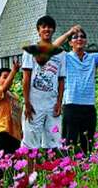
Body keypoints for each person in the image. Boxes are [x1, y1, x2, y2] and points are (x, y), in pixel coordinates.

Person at [53, 20, 98, 153]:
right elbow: (52, 48)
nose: (79, 38)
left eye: (82, 36)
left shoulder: (92, 58)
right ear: (70, 43)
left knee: (87, 143)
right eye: (75, 37)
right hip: (71, 104)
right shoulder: (66, 57)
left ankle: (85, 170)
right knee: (69, 141)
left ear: (86, 41)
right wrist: (69, 32)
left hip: (88, 105)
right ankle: (67, 169)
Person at [22, 15, 65, 149]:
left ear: (53, 30)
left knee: (55, 140)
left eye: (50, 27)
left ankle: (53, 169)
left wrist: (59, 102)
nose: (47, 29)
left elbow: (61, 79)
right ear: (38, 30)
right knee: (30, 141)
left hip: (52, 103)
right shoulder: (31, 51)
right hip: (34, 103)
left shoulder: (60, 53)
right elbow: (26, 78)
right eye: (43, 27)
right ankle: (29, 170)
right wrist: (27, 102)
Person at [0, 58, 22, 155]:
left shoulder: (15, 96)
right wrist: (14, 71)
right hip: (3, 130)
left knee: (12, 165)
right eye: (5, 77)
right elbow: (5, 87)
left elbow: (18, 115)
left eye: (9, 77)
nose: (8, 79)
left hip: (15, 135)